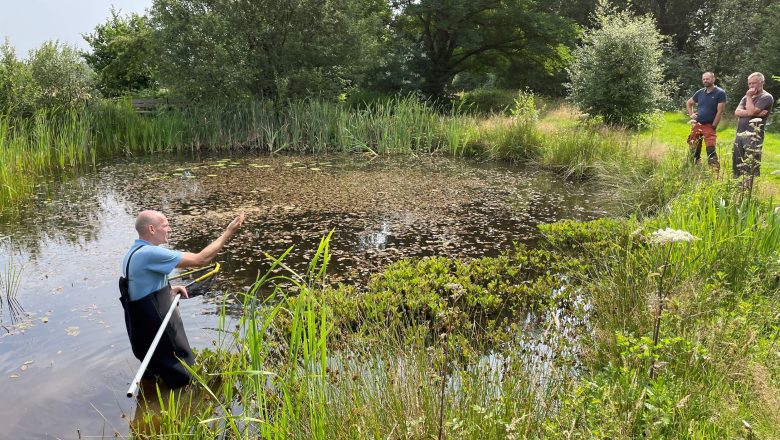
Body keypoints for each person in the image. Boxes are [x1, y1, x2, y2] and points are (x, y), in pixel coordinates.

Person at [119, 210, 245, 389]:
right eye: (165, 226)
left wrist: (169, 289)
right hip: (158, 328)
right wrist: (229, 232)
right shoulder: (149, 253)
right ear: (152, 229)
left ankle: (153, 403)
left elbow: (141, 284)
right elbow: (201, 259)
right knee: (184, 375)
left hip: (141, 331)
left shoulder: (133, 253)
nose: (169, 229)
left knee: (156, 372)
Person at [733, 72, 774, 188]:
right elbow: (736, 112)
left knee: (750, 164)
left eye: (754, 83)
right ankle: (736, 188)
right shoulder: (745, 97)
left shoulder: (766, 97)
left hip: (754, 136)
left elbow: (750, 112)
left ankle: (747, 190)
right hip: (740, 134)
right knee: (737, 161)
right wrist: (754, 113)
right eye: (749, 83)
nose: (751, 86)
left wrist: (749, 99)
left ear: (762, 82)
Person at [686, 71, 726, 170]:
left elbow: (720, 111)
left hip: (709, 125)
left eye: (707, 79)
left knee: (710, 148)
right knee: (693, 146)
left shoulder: (720, 93)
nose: (705, 81)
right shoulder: (700, 92)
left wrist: (714, 126)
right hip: (697, 124)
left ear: (713, 79)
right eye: (703, 79)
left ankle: (714, 170)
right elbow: (689, 102)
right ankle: (693, 166)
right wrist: (691, 114)